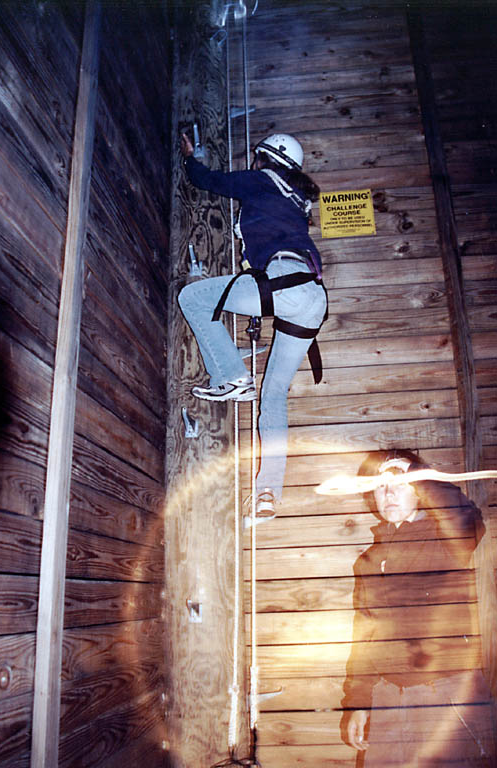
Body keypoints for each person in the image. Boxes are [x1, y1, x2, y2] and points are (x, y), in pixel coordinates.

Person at [178, 132, 327, 520]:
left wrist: (192, 159)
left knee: (192, 298)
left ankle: (231, 375)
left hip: (282, 283)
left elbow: (211, 182)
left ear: (265, 158)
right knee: (274, 395)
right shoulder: (298, 200)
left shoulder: (263, 180)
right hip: (311, 298)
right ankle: (267, 494)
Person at [341, 449, 495, 767]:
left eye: (399, 483)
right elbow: (365, 636)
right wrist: (358, 702)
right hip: (388, 700)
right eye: (380, 486)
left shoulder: (447, 538)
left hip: (447, 696)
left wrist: (415, 470)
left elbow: (467, 517)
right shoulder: (368, 562)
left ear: (419, 489)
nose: (389, 494)